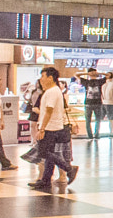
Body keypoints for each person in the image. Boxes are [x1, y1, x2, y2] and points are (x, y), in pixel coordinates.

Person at [30, 66, 76, 195]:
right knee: (48, 154)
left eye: (43, 76)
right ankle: (45, 180)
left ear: (50, 78)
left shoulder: (52, 92)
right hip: (53, 126)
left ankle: (69, 168)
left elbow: (49, 111)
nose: (41, 79)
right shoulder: (53, 90)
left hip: (50, 127)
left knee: (43, 152)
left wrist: (42, 128)